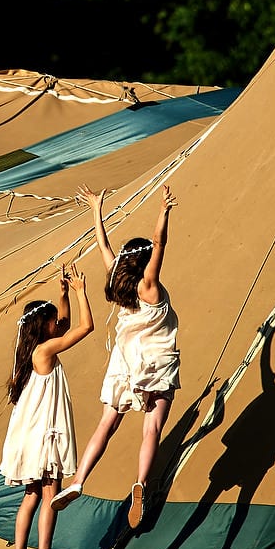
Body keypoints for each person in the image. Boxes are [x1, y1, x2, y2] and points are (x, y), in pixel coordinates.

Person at [51, 184, 179, 529]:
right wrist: (163, 210)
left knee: (106, 425)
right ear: (145, 262)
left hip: (124, 366)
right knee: (151, 428)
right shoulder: (149, 287)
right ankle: (140, 483)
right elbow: (161, 243)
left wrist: (97, 209)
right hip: (157, 365)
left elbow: (104, 246)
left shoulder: (120, 286)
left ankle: (78, 480)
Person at [0, 262, 94, 549]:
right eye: (53, 321)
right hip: (44, 436)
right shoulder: (45, 351)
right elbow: (84, 327)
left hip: (29, 435)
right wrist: (81, 293)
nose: (58, 324)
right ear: (44, 326)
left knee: (31, 496)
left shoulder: (31, 352)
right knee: (51, 493)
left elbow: (65, 324)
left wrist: (63, 294)